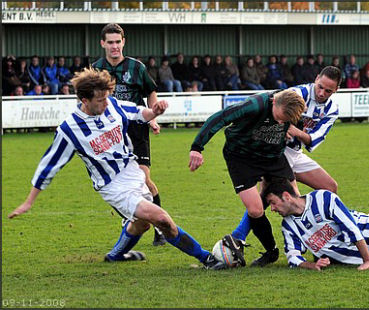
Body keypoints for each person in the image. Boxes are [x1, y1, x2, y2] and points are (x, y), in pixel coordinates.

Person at [7, 68, 227, 270]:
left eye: (106, 97)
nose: (105, 103)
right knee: (161, 219)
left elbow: (139, 113)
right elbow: (50, 165)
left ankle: (115, 256)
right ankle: (207, 258)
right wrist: (29, 201)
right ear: (84, 100)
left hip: (132, 171)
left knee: (142, 225)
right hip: (112, 185)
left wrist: (155, 112)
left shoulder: (111, 104)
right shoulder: (69, 129)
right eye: (100, 100)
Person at [228, 66, 344, 259]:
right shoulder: (297, 94)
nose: (322, 93)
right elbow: (273, 116)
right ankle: (301, 242)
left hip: (295, 152)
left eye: (328, 91)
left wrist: (297, 131)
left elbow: (314, 139)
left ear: (336, 90)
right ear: (316, 79)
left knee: (330, 188)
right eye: (320, 87)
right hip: (276, 151)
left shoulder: (332, 110)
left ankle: (325, 233)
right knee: (287, 197)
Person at [188, 89, 306, 267]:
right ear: (274, 102)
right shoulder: (254, 105)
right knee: (255, 210)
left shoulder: (290, 108)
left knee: (295, 201)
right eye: (279, 118)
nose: (281, 123)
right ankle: (271, 251)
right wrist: (197, 147)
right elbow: (220, 118)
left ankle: (306, 246)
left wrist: (290, 131)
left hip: (273, 157)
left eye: (285, 121)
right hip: (241, 158)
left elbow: (299, 123)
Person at [92, 23, 166, 246]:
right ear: (103, 43)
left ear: (123, 42)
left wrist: (152, 117)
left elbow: (150, 92)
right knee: (115, 181)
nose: (115, 46)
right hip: (110, 132)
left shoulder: (137, 67)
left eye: (118, 42)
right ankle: (128, 220)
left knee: (143, 180)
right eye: (110, 42)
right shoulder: (95, 70)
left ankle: (161, 228)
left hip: (136, 129)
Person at [262, 178, 369, 271]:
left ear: (286, 196)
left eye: (273, 202)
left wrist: (367, 261)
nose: (272, 209)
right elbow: (293, 256)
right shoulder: (289, 226)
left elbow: (350, 226)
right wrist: (312, 265)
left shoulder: (323, 198)